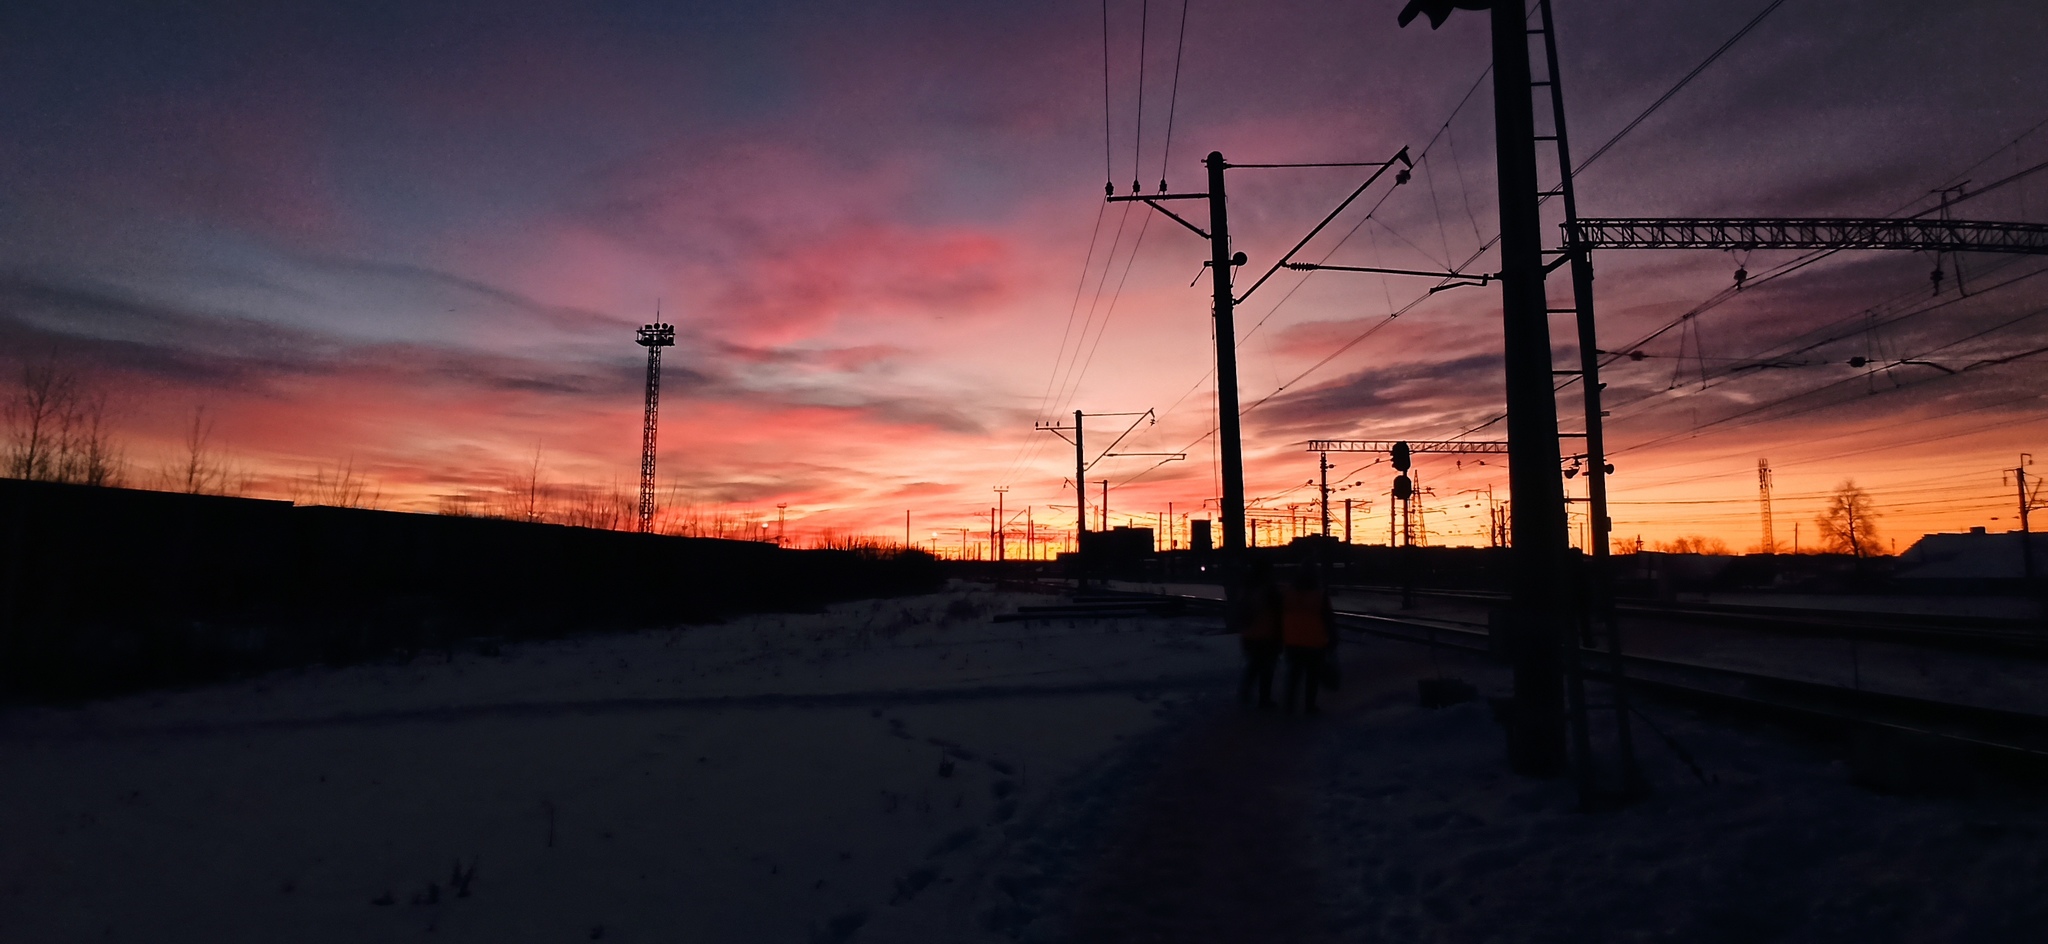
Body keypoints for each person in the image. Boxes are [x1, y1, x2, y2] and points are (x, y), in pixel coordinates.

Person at [1279, 565, 1335, 714]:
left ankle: (1289, 706)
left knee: (1294, 675)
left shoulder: (1288, 594)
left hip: (1292, 641)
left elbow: (1280, 616)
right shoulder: (1320, 595)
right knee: (1312, 677)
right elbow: (1328, 619)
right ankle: (1309, 706)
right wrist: (1332, 639)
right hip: (1314, 641)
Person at [1232, 559, 1282, 709]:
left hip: (1249, 634)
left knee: (1253, 666)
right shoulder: (1270, 589)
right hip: (1267, 634)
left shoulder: (1247, 588)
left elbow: (1240, 610)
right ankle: (1264, 699)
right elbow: (1278, 612)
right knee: (1267, 669)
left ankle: (1245, 694)